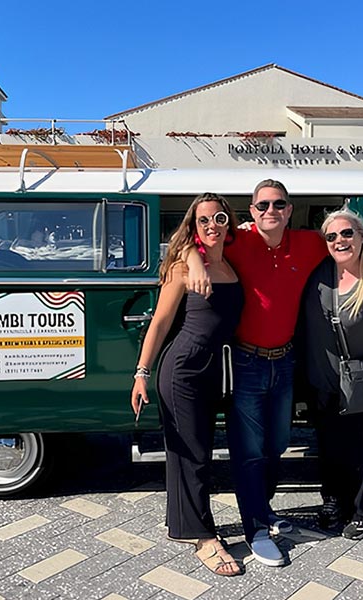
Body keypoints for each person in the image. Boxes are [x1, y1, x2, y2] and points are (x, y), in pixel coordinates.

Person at [186, 180, 363, 566]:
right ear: (251, 212)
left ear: (288, 209)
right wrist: (193, 259)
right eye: (262, 205)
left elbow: (351, 243)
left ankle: (265, 510)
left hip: (284, 362)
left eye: (279, 204)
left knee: (278, 444)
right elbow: (199, 237)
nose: (271, 210)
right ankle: (254, 527)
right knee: (249, 451)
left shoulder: (309, 242)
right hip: (247, 361)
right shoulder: (239, 241)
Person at [130, 193, 245, 577]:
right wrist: (142, 372)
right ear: (194, 227)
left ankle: (181, 525)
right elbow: (160, 322)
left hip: (220, 369)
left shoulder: (232, 263)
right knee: (192, 455)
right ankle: (202, 537)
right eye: (203, 221)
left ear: (229, 222)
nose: (212, 225)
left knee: (199, 452)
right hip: (184, 370)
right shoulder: (182, 267)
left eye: (219, 219)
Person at [297, 209, 363, 540]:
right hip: (319, 378)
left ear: (360, 236)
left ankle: (360, 511)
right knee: (326, 444)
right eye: (331, 236)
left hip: (356, 380)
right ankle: (331, 502)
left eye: (347, 234)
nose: (340, 241)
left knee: (355, 448)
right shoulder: (318, 271)